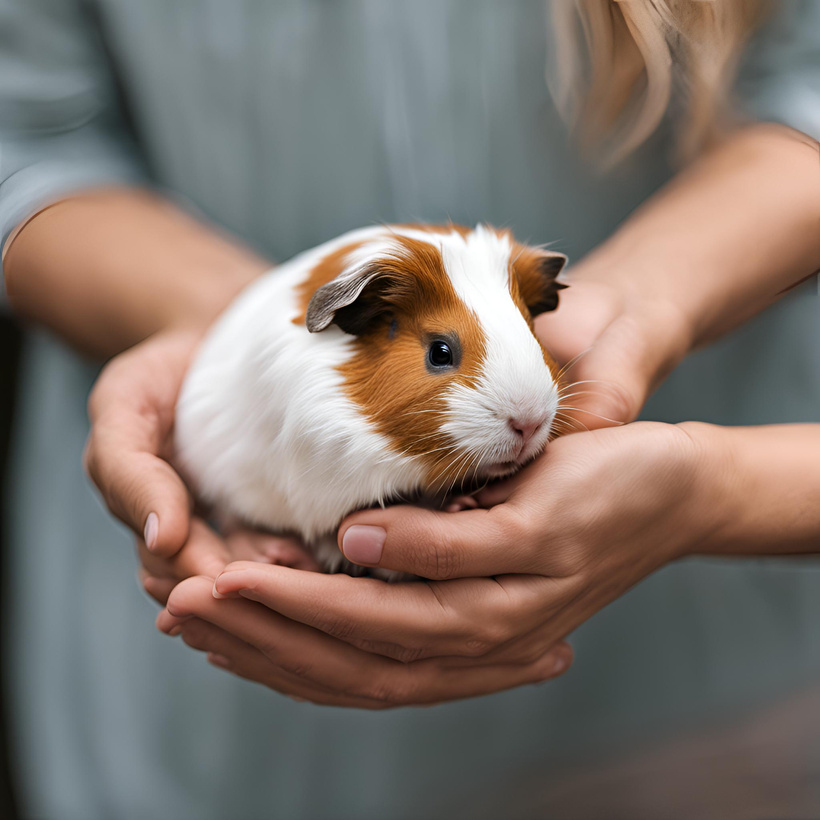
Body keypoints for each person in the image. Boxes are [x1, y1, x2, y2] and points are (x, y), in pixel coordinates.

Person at [2, 1, 819, 818]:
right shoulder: (314, 381)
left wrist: (646, 300)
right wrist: (223, 319)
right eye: (439, 356)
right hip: (210, 747)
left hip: (689, 692)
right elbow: (28, 141)